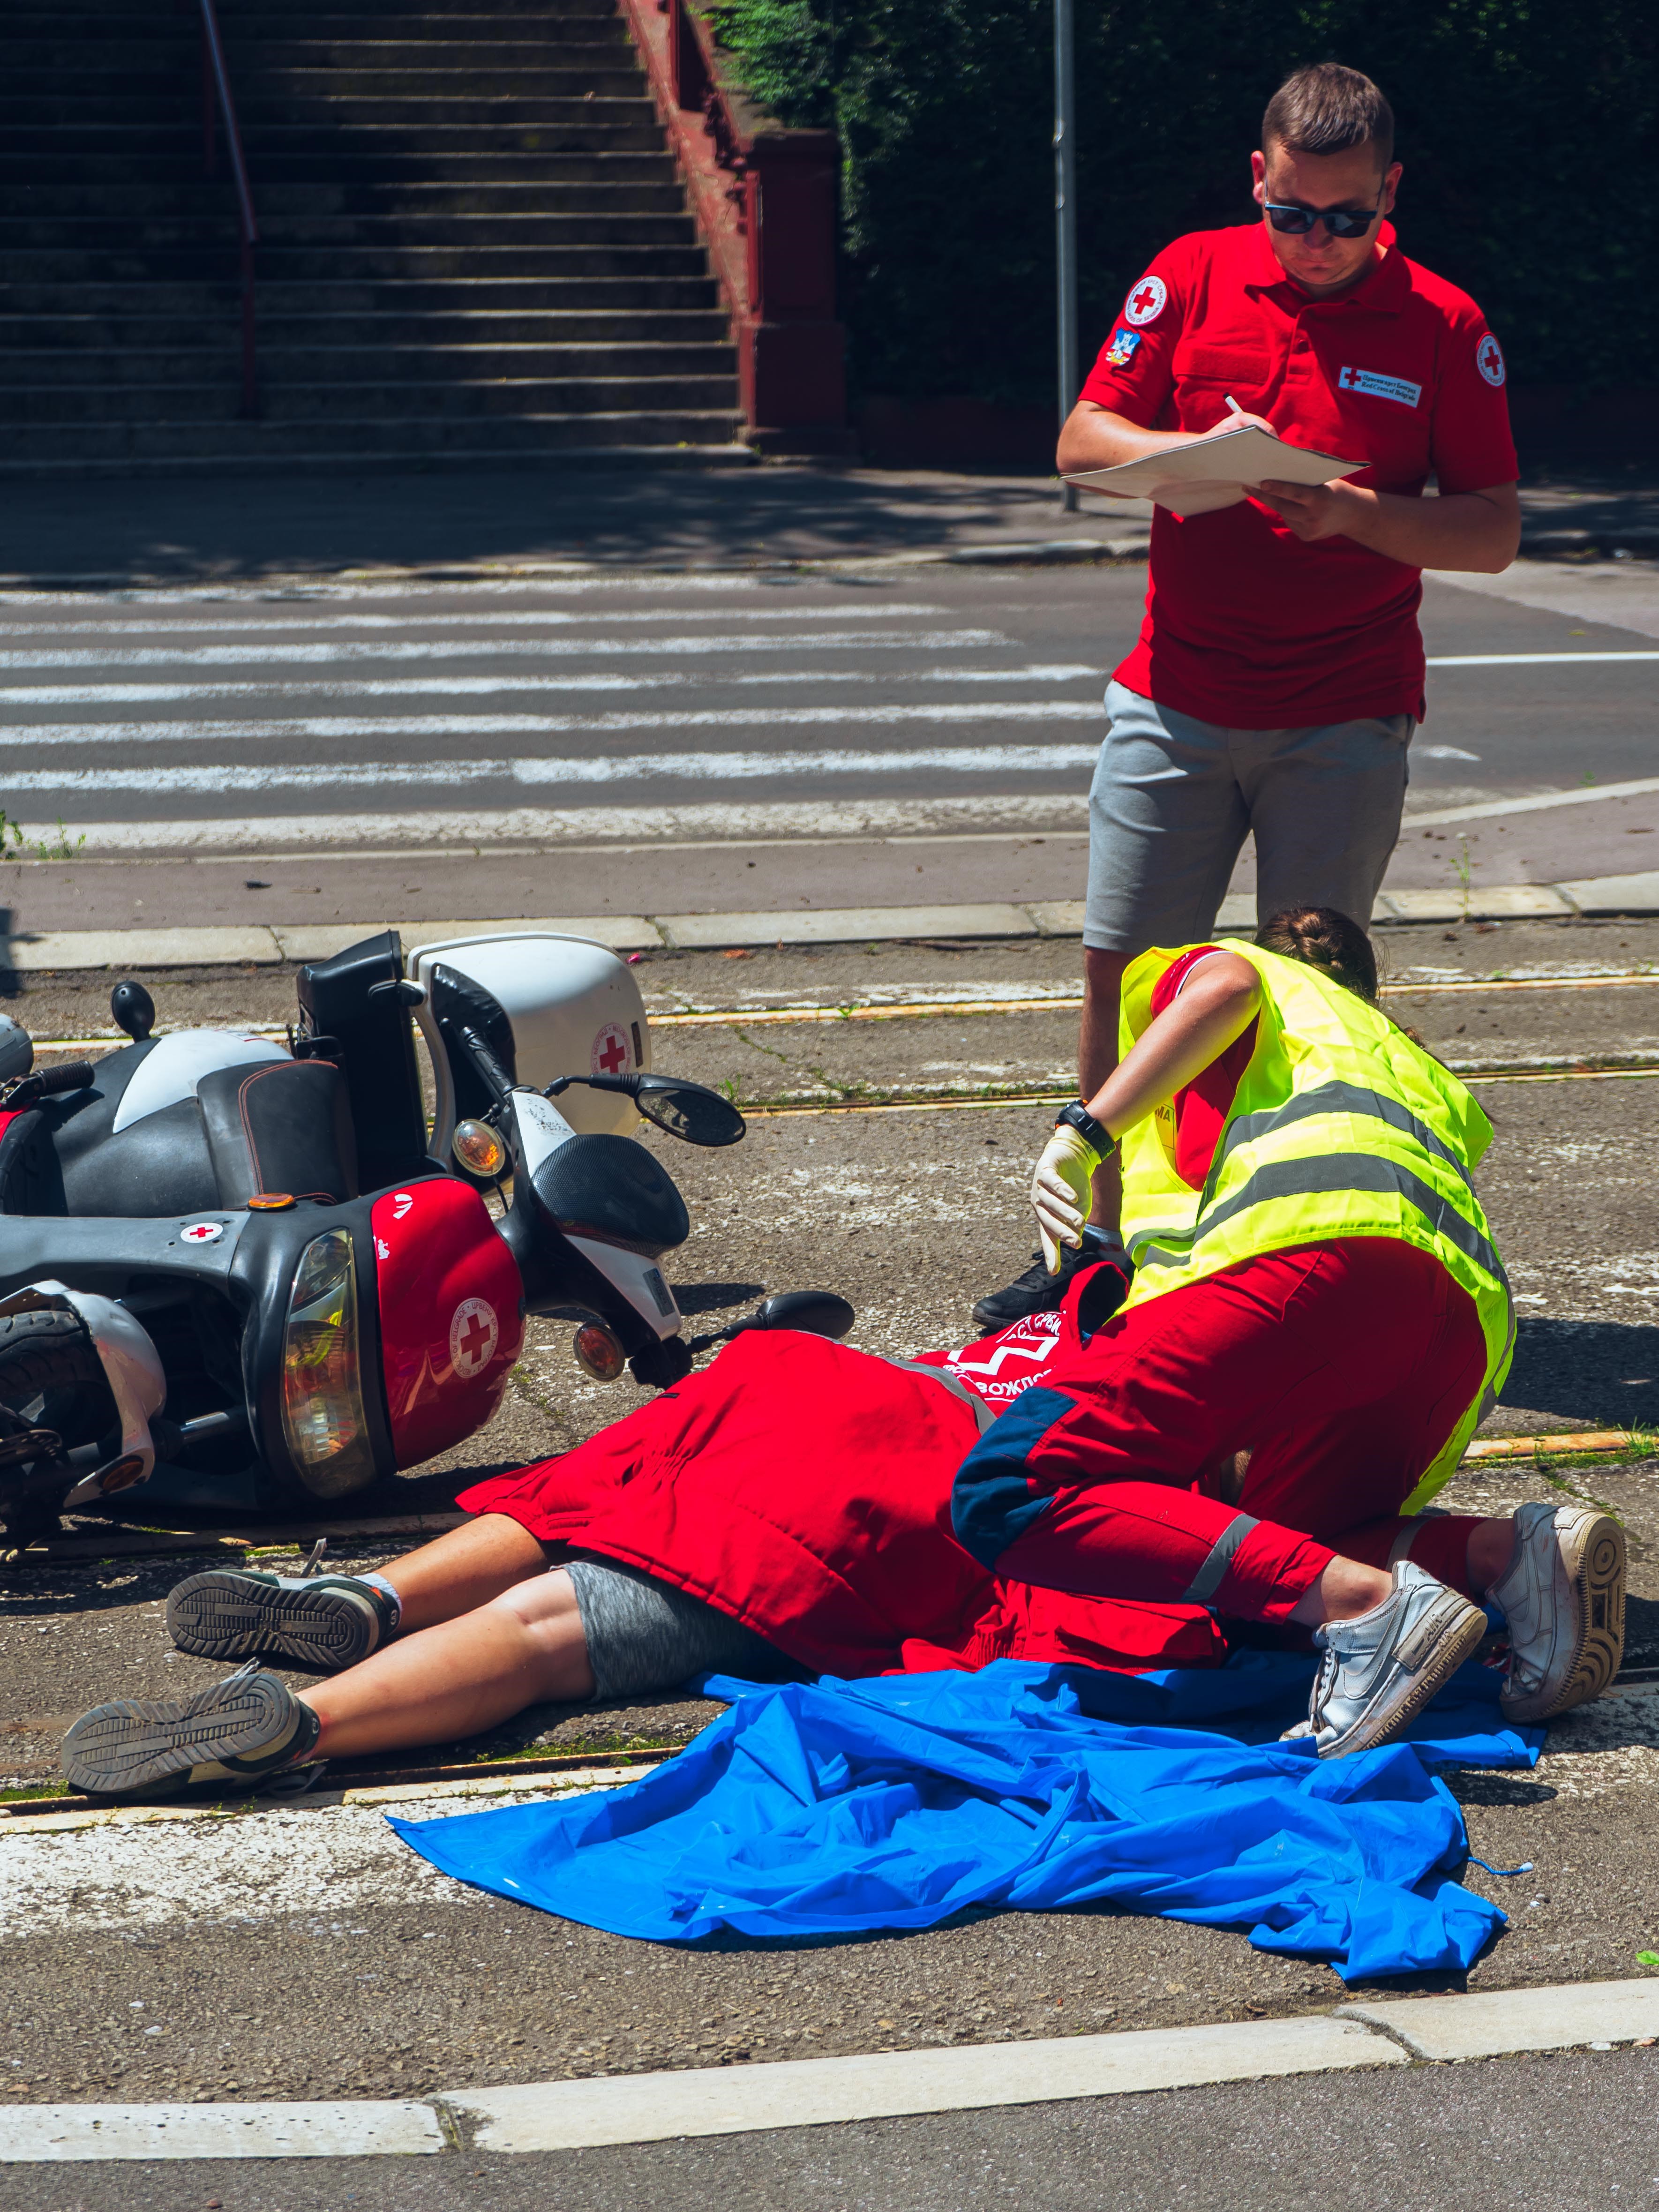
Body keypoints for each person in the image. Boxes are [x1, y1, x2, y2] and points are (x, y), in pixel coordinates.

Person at [64, 941, 1621, 1798]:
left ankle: (370, 1605)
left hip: (873, 1403)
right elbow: (1219, 1518)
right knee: (567, 1632)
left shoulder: (1138, 1261)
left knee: (590, 1488)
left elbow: (1201, 1014)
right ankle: (311, 1716)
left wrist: (1088, 1126)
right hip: (896, 1510)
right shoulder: (1202, 1280)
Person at [975, 60, 1521, 1330]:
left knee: (1312, 990)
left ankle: (1297, 1247)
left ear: (1390, 194)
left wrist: (1352, 516)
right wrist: (1197, 462)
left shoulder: (1443, 324)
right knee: (1125, 977)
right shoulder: (1191, 272)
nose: (1319, 242)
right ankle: (1086, 1251)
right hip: (1175, 698)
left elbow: (1491, 532)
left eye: (1348, 217)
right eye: (1294, 213)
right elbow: (1080, 444)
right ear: (1256, 184)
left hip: (1343, 713)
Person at [952, 905, 1625, 1755]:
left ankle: (1369, 1609)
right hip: (1461, 1327)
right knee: (1281, 1567)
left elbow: (1226, 985)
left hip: (1316, 1261)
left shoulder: (1245, 972)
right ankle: (1506, 1557)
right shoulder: (1400, 1058)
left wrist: (1082, 1134)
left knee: (1011, 1489)